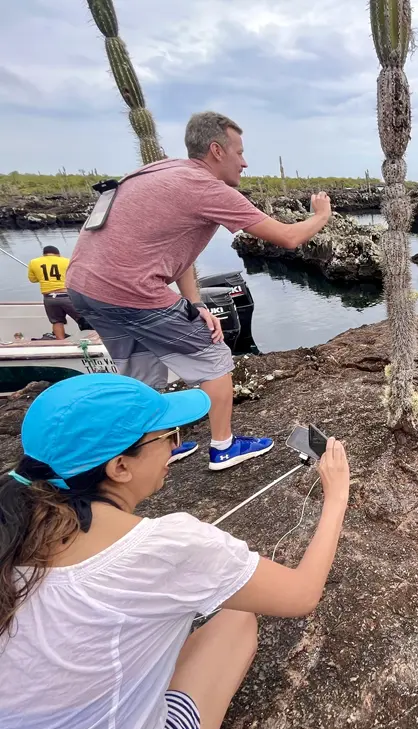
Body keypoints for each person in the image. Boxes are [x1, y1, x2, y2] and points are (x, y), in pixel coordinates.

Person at [0, 373, 351, 729]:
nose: (175, 447)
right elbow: (302, 594)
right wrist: (336, 495)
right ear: (119, 467)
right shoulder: (169, 546)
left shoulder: (13, 522)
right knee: (237, 620)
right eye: (168, 437)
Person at [66, 111, 333, 471]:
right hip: (131, 289)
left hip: (85, 287)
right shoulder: (207, 188)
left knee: (140, 369)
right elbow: (288, 237)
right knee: (215, 358)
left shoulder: (159, 171)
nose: (245, 162)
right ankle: (223, 447)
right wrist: (320, 216)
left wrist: (194, 305)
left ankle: (152, 447)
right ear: (216, 150)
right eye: (239, 152)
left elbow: (174, 255)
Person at [26, 245, 92, 340]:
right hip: (66, 296)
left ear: (44, 254)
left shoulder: (34, 262)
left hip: (49, 298)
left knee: (56, 322)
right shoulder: (66, 261)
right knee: (83, 318)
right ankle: (90, 340)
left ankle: (61, 343)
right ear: (58, 254)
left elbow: (33, 279)